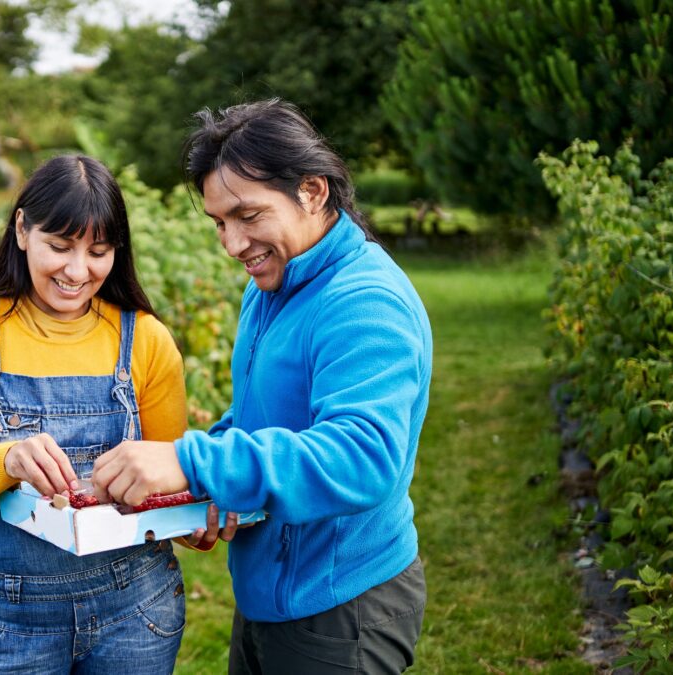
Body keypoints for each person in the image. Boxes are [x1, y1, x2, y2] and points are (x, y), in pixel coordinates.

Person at [91, 99, 432, 673]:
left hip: (338, 605)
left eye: (248, 216)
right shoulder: (271, 287)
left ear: (313, 192)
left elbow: (363, 457)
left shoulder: (364, 302)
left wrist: (194, 462)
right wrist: (203, 491)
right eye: (220, 222)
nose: (231, 243)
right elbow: (262, 421)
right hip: (272, 592)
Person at [0, 155, 191, 674]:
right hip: (5, 616)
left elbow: (173, 481)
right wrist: (8, 460)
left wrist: (203, 513)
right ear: (22, 229)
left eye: (99, 252)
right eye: (59, 247)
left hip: (135, 607)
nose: (77, 271)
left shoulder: (144, 339)